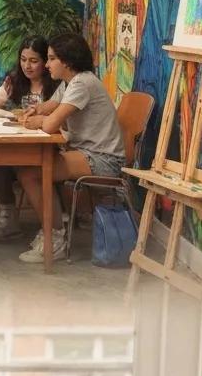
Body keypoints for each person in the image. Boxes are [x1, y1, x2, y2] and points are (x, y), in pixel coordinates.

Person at [15, 33, 125, 263]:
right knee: (33, 168)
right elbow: (50, 107)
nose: (46, 64)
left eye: (51, 58)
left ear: (67, 61)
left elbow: (51, 124)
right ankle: (52, 232)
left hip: (103, 159)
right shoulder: (71, 82)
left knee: (31, 172)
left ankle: (54, 239)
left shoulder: (81, 83)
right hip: (88, 153)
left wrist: (41, 121)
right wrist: (36, 112)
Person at [0, 38, 58, 241]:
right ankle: (5, 216)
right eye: (23, 59)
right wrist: (5, 112)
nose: (27, 66)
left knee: (10, 163)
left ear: (46, 61)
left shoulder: (56, 84)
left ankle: (49, 228)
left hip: (47, 145)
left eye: (34, 60)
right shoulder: (14, 81)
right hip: (19, 139)